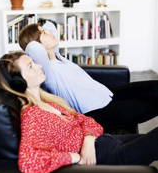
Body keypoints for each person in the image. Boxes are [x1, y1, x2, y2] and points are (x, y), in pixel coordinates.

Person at [0, 51, 158, 173]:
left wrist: (88, 140)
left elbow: (88, 121)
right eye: (30, 66)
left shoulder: (49, 102)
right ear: (19, 81)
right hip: (107, 158)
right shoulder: (33, 116)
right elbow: (30, 162)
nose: (39, 65)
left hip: (105, 142)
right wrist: (74, 157)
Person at [18, 21, 158, 133]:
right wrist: (31, 38)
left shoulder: (59, 57)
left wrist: (42, 31)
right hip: (99, 112)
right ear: (37, 43)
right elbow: (32, 48)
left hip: (108, 94)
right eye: (43, 33)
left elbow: (51, 26)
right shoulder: (46, 71)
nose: (49, 32)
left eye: (45, 30)